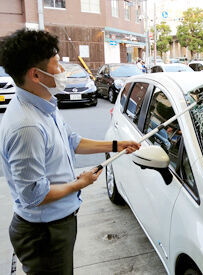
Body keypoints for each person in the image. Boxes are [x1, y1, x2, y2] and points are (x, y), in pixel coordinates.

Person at [0, 29, 141, 274]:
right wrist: (80, 183)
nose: (63, 72)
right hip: (44, 233)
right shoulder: (27, 126)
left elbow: (72, 141)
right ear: (36, 74)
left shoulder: (44, 104)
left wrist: (117, 145)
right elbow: (34, 194)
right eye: (57, 66)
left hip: (57, 223)